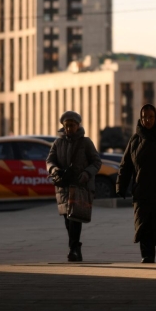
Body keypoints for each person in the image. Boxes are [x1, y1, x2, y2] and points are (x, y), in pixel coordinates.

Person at [116, 104, 156, 263]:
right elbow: (126, 165)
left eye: (151, 117)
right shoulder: (135, 139)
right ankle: (147, 255)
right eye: (144, 117)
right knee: (143, 224)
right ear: (140, 118)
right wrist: (121, 186)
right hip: (142, 190)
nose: (147, 120)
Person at [46, 110, 102, 262]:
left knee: (75, 218)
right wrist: (54, 169)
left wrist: (86, 174)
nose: (69, 128)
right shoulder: (58, 143)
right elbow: (49, 161)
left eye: (72, 125)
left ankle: (73, 249)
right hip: (64, 186)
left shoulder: (86, 142)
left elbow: (96, 162)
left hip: (79, 186)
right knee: (67, 219)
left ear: (78, 125)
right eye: (67, 125)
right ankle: (75, 248)